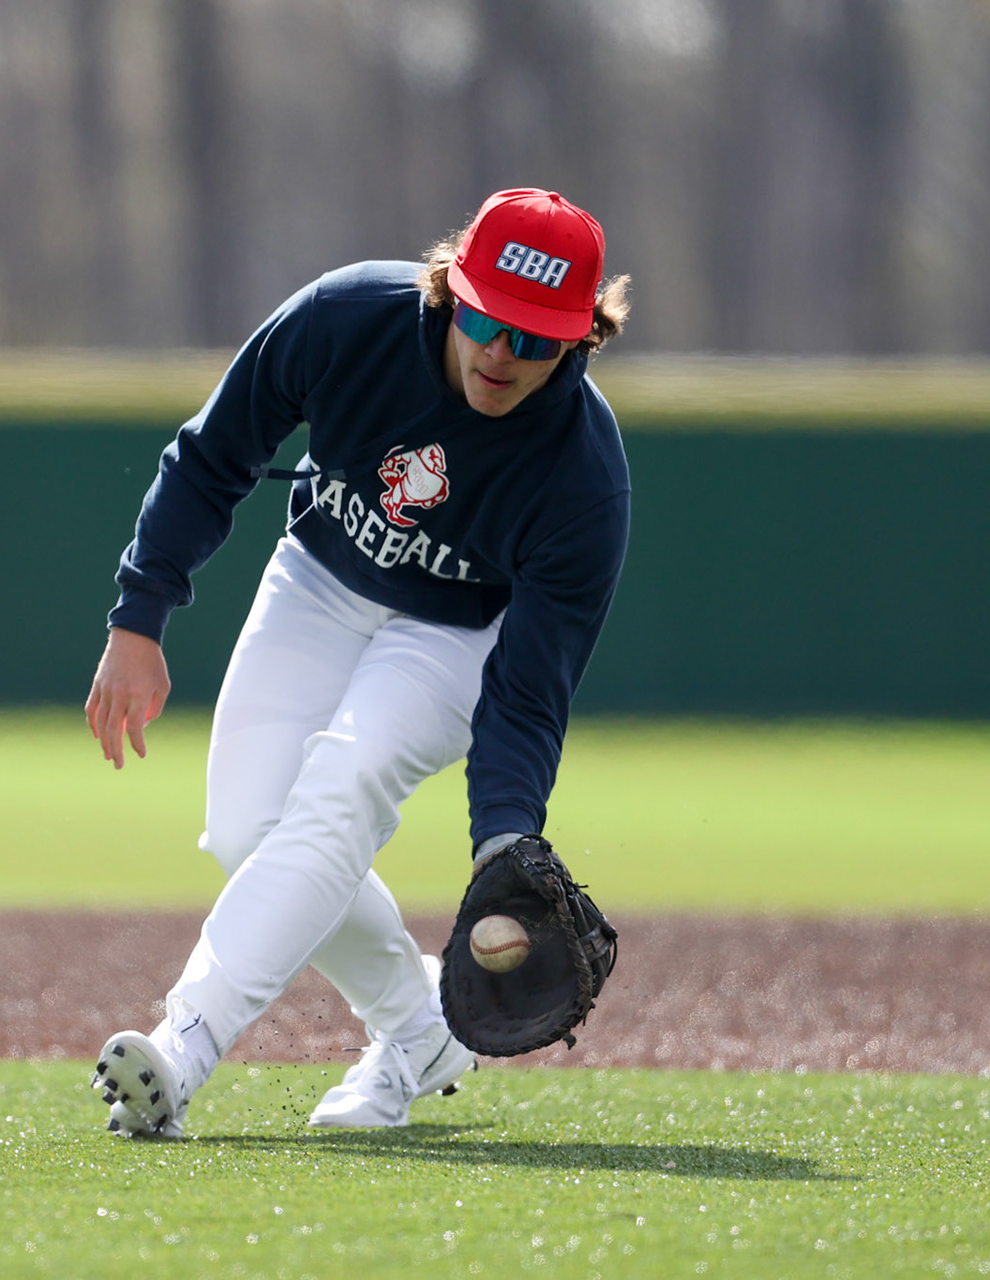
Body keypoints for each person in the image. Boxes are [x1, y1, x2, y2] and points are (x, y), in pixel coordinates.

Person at [85, 188, 631, 1137]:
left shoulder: (584, 479)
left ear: (583, 340)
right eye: (487, 319)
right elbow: (211, 456)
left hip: (460, 633)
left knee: (347, 777)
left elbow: (529, 693)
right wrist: (140, 618)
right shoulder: (344, 318)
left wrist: (505, 839)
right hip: (320, 577)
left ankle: (185, 1045)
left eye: (535, 339)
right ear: (449, 288)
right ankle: (420, 1034)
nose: (500, 353)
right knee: (246, 830)